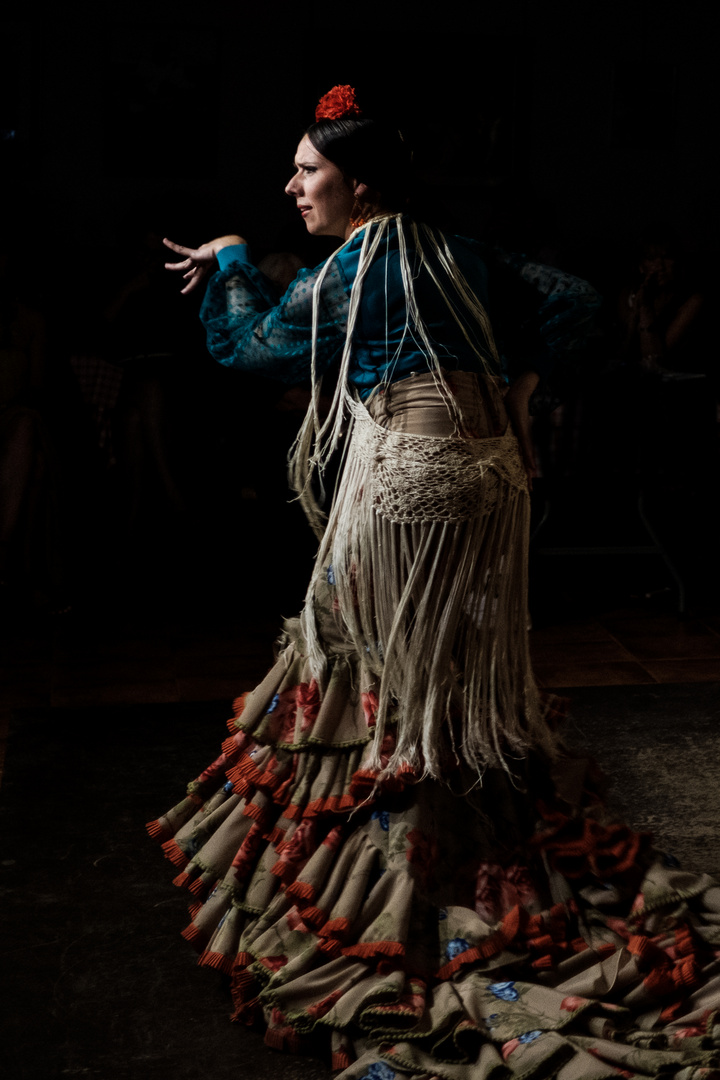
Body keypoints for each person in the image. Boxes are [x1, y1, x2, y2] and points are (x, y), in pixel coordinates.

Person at [149, 88, 720, 1080]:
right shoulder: (458, 253)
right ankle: (470, 827)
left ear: (359, 181)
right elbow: (578, 306)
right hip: (489, 480)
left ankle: (413, 896)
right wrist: (508, 371)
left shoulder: (357, 267)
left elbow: (253, 346)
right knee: (452, 681)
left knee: (376, 680)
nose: (292, 185)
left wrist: (234, 254)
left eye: (307, 171)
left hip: (409, 481)